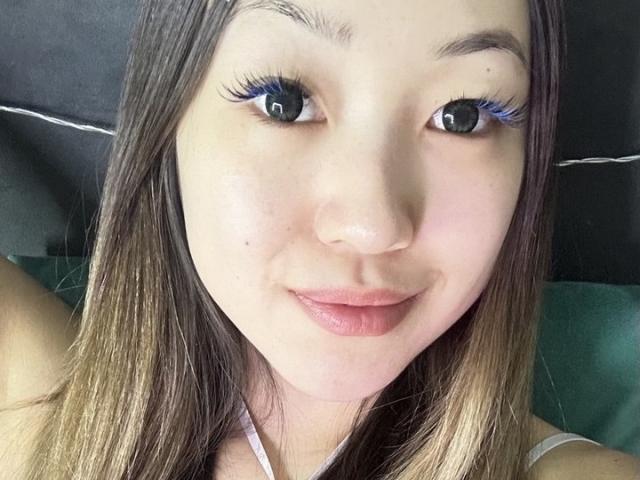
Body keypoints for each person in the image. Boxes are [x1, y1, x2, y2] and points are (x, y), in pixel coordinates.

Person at [1, 0, 639, 479]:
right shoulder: (33, 405)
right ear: (168, 121)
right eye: (284, 101)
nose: (373, 227)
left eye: (461, 115)